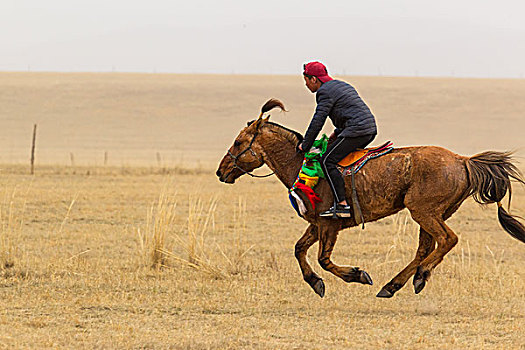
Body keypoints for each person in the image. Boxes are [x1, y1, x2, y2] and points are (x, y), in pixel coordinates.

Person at [298, 61, 377, 218]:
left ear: (314, 79)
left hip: (356, 131)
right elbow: (348, 112)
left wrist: (305, 145)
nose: (306, 84)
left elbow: (318, 121)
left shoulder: (324, 92)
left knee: (326, 161)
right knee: (337, 156)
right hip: (368, 130)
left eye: (306, 80)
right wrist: (336, 134)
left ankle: (342, 205)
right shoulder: (341, 85)